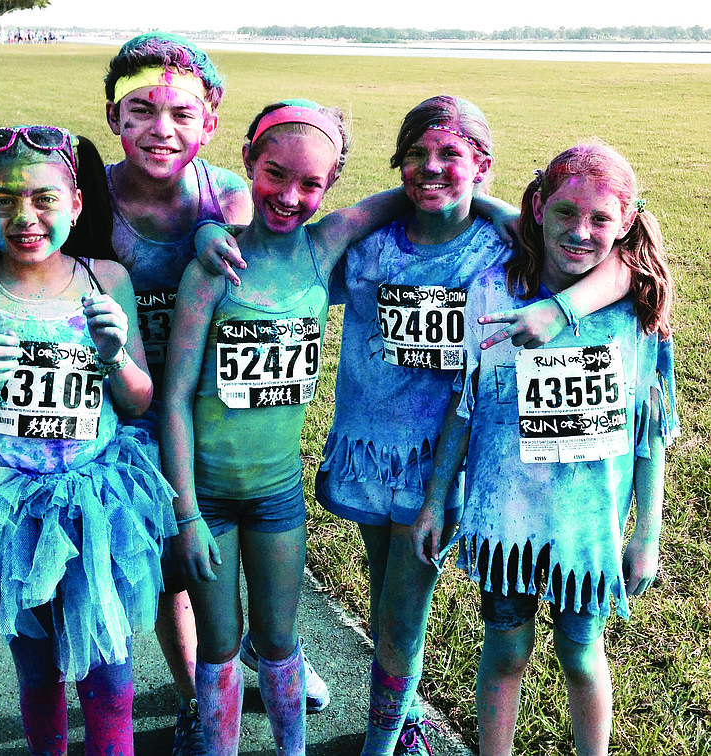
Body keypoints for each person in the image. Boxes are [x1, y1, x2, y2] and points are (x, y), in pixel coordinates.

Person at [0, 32, 330, 755]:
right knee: (155, 571)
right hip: (111, 412)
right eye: (141, 110)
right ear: (113, 116)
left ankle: (256, 659)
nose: (160, 129)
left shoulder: (226, 194)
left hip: (201, 406)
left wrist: (211, 231)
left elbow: (265, 241)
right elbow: (32, 239)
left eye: (181, 113)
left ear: (211, 122)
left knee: (199, 561)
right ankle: (196, 691)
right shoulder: (93, 199)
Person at [314, 97, 633, 756]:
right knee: (385, 594)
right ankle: (401, 714)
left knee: (403, 611)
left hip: (446, 459)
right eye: (416, 155)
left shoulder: (502, 247)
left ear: (483, 165)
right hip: (373, 453)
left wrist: (495, 212)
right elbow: (296, 259)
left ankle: (384, 738)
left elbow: (624, 263)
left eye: (451, 155)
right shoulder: (371, 247)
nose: (431, 166)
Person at [0, 125, 177, 756]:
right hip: (7, 510)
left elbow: (138, 401)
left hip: (99, 503)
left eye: (45, 199)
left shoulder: (107, 280)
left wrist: (116, 355)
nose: (24, 218)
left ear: (77, 203)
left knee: (110, 672)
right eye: (3, 201)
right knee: (38, 669)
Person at [159, 99, 430, 756]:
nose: (289, 196)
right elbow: (173, 399)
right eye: (275, 174)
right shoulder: (214, 269)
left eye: (311, 183)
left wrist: (510, 214)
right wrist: (186, 513)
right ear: (248, 162)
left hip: (278, 495)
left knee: (279, 640)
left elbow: (419, 192)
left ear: (331, 183)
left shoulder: (324, 246)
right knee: (219, 645)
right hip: (208, 498)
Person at [411, 143, 678, 756]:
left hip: (585, 526)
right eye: (564, 213)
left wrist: (647, 534)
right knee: (505, 649)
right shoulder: (493, 291)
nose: (580, 232)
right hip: (507, 520)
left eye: (600, 219)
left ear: (627, 222)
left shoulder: (636, 311)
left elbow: (651, 433)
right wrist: (434, 500)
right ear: (537, 208)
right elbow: (465, 404)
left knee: (582, 654)